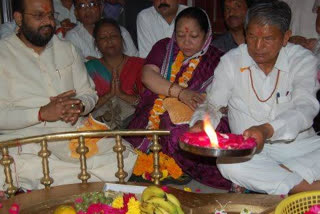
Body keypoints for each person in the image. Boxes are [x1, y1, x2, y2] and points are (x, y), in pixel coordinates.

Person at [0, 0, 137, 190]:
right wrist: (41, 113)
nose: (48, 22)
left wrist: (79, 106)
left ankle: (74, 185)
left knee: (125, 153)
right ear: (18, 18)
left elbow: (89, 94)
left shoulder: (66, 48)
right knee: (24, 167)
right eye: (39, 16)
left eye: (50, 16)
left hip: (71, 132)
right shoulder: (3, 54)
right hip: (27, 139)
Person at [190, 1, 320, 195]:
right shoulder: (231, 61)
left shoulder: (302, 60)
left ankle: (271, 180)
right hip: (248, 152)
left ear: (285, 37)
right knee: (227, 163)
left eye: (268, 38)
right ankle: (306, 188)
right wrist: (201, 122)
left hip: (298, 147)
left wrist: (267, 130)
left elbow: (305, 108)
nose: (258, 46)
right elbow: (213, 104)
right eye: (251, 36)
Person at [127, 7, 231, 190]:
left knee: (179, 128)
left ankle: (180, 169)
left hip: (195, 112)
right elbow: (147, 76)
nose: (186, 42)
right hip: (155, 107)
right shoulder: (164, 46)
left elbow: (218, 99)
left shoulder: (218, 58)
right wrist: (181, 93)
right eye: (181, 35)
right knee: (149, 121)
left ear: (207, 35)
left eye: (194, 36)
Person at [86, 18, 144, 128]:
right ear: (96, 43)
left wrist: (122, 95)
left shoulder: (139, 65)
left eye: (113, 36)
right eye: (103, 37)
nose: (109, 41)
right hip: (99, 131)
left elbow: (148, 103)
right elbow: (86, 107)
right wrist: (109, 95)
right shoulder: (90, 68)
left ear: (122, 39)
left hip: (136, 129)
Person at [65, 0, 138, 60]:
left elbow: (135, 60)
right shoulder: (72, 36)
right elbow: (77, 68)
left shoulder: (120, 31)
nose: (88, 9)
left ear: (101, 7)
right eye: (82, 6)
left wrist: (96, 63)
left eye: (92, 4)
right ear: (76, 13)